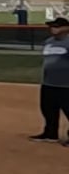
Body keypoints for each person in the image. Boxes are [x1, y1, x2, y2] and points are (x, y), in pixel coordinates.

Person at [33, 16, 69, 145]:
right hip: (48, 83)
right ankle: (50, 134)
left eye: (57, 26)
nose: (53, 29)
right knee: (48, 110)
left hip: (66, 84)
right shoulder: (48, 42)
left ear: (66, 28)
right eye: (52, 26)